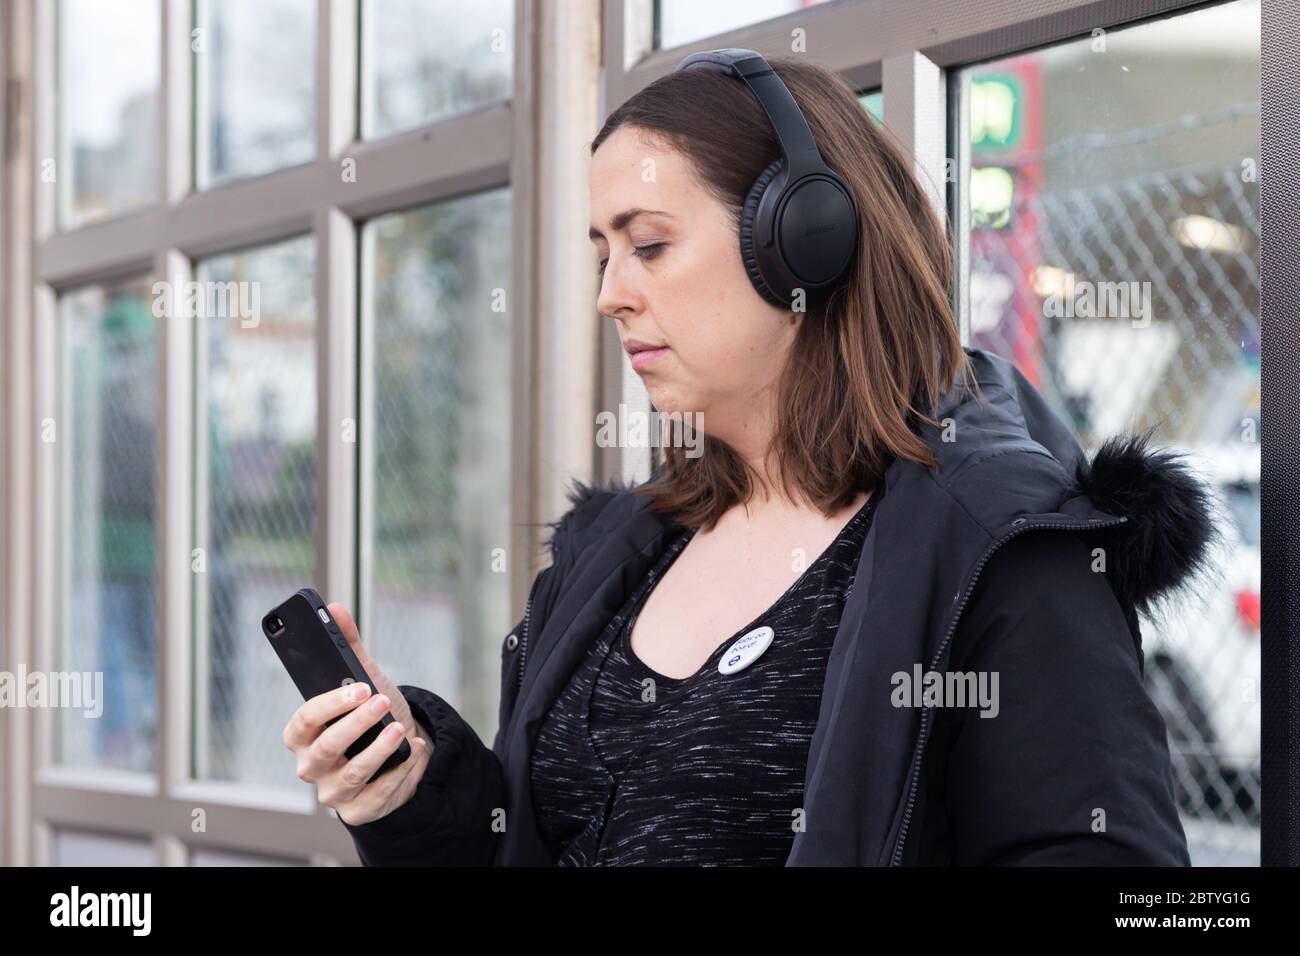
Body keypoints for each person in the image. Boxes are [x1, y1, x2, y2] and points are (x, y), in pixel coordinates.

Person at [283, 51, 1215, 866]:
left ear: (805, 241)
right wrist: (413, 801)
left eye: (649, 245)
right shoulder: (613, 554)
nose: (612, 294)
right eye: (602, 254)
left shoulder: (998, 549)